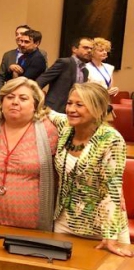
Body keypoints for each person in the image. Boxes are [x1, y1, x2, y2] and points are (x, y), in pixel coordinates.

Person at [54, 83, 131, 256]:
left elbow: (112, 188)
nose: (71, 109)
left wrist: (110, 235)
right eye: (69, 103)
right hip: (64, 222)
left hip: (102, 229)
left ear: (98, 109)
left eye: (79, 105)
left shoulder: (111, 139)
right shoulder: (65, 128)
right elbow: (44, 112)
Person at [0, 77, 60, 230]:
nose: (15, 102)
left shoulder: (49, 131)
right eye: (9, 97)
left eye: (23, 98)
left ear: (35, 104)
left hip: (34, 230)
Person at [36, 37, 93, 113]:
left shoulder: (85, 71)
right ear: (74, 49)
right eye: (85, 48)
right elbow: (41, 81)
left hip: (72, 111)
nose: (89, 51)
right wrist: (36, 100)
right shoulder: (65, 62)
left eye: (91, 49)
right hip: (54, 109)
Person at [0, 29, 46, 95]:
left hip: (27, 95)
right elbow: (7, 78)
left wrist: (15, 73)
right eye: (21, 41)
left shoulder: (38, 59)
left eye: (26, 42)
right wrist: (11, 68)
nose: (22, 44)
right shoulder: (23, 56)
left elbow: (23, 82)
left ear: (36, 43)